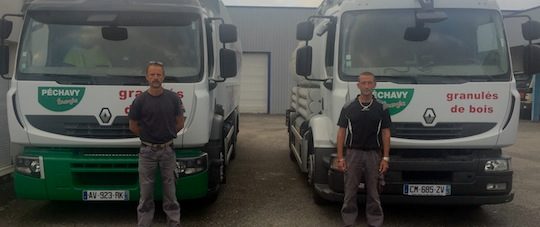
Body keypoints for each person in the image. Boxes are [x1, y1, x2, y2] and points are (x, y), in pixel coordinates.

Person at [128, 61, 185, 227]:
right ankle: (144, 224)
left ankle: (174, 223)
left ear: (163, 77)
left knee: (170, 193)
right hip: (147, 153)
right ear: (147, 77)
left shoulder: (173, 98)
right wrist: (149, 137)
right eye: (152, 74)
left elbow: (180, 122)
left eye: (158, 74)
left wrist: (165, 135)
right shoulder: (139, 101)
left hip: (168, 151)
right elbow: (132, 126)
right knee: (145, 195)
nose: (155, 77)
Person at [336, 71, 391, 227]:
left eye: (369, 83)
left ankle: (374, 221)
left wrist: (385, 158)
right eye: (363, 83)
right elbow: (341, 132)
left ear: (374, 85)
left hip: (374, 154)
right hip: (353, 153)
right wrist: (340, 158)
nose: (366, 86)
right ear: (358, 85)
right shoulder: (348, 107)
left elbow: (386, 133)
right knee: (350, 190)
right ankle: (348, 220)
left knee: (374, 191)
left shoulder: (382, 107)